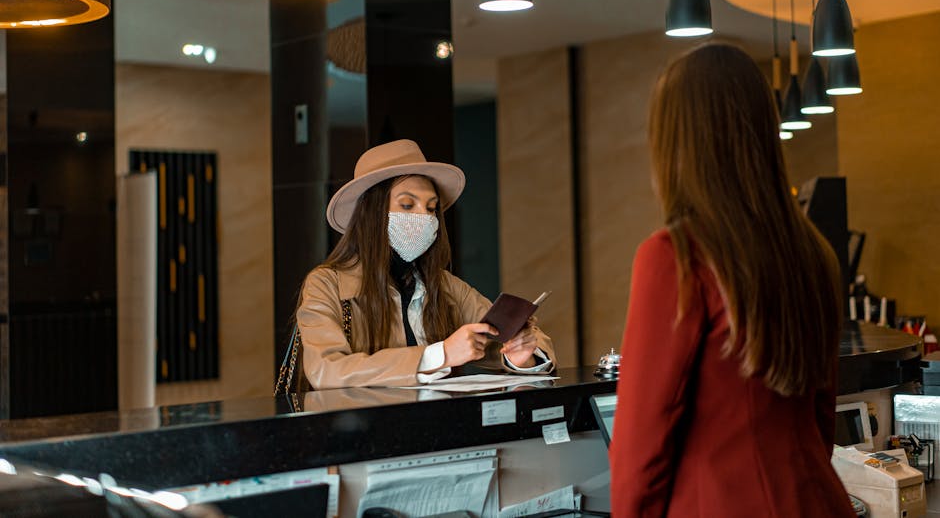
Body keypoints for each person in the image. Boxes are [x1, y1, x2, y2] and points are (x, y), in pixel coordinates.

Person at [610, 44, 854, 517]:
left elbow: (641, 445)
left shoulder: (674, 256)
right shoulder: (814, 252)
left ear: (675, 142)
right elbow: (822, 419)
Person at [295, 139, 554, 390]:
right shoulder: (327, 284)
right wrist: (439, 355)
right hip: (363, 430)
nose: (424, 217)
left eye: (431, 208)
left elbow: (510, 338)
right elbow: (325, 370)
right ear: (371, 213)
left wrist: (521, 357)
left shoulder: (444, 285)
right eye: (407, 205)